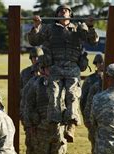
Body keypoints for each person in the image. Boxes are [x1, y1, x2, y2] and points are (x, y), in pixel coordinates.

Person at [28, 4, 98, 142]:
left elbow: (93, 41)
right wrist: (36, 27)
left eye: (66, 11)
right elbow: (34, 41)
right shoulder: (49, 29)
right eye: (60, 11)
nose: (63, 12)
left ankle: (71, 125)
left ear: (70, 15)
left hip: (72, 66)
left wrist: (90, 26)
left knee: (72, 94)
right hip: (55, 67)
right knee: (54, 94)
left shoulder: (78, 27)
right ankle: (54, 124)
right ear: (56, 15)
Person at [24, 51, 66, 154]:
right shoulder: (34, 84)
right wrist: (30, 123)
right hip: (41, 126)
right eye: (47, 68)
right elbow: (28, 105)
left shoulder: (62, 83)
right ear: (41, 69)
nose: (50, 70)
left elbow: (69, 102)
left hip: (57, 127)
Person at [20, 47, 45, 154]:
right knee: (30, 144)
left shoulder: (46, 72)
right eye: (33, 57)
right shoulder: (24, 74)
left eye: (38, 58)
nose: (35, 60)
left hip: (43, 114)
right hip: (28, 113)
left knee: (42, 145)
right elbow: (19, 93)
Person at [80, 53, 104, 120]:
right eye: (99, 62)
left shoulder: (111, 79)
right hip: (92, 114)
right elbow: (83, 99)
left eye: (103, 62)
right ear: (96, 64)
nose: (101, 64)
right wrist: (85, 118)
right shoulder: (90, 79)